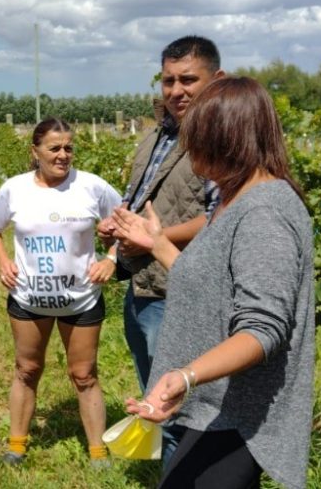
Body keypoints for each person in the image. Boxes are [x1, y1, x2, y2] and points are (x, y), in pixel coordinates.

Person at [117, 77, 315, 489]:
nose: (190, 155)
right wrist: (155, 243)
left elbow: (263, 330)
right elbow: (207, 282)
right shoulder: (232, 200)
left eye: (198, 142)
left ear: (229, 140)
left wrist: (186, 376)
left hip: (239, 418)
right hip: (213, 407)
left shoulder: (265, 214)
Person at [98, 35, 224, 461]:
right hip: (145, 285)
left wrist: (156, 238)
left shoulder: (221, 140)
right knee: (159, 404)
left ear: (216, 79)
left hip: (182, 292)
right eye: (168, 80)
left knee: (183, 413)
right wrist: (119, 226)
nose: (176, 90)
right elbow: (146, 201)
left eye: (189, 79)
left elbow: (220, 216)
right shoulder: (158, 135)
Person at [0, 118, 122, 466]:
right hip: (29, 299)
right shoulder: (14, 189)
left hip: (82, 299)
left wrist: (112, 259)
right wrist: (3, 262)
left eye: (69, 148)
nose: (63, 155)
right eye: (54, 148)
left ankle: (97, 451)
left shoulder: (92, 187)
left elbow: (125, 222)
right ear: (35, 151)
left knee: (84, 374)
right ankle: (16, 445)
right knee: (27, 369)